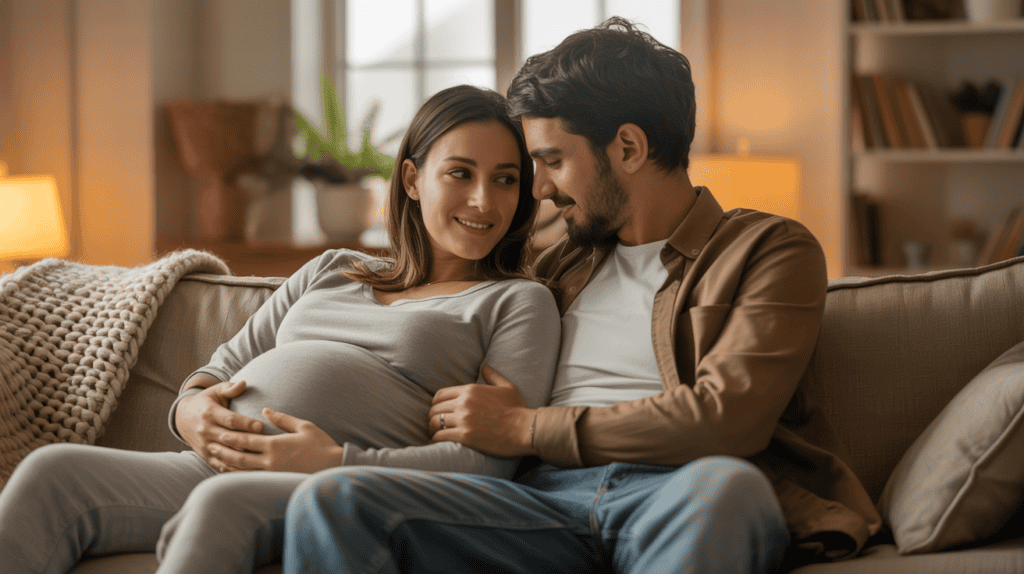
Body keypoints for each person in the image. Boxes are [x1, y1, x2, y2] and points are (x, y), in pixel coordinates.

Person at [283, 17, 882, 574]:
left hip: (680, 493)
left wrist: (526, 428)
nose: (538, 189)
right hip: (538, 504)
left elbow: (727, 421)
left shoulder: (767, 250)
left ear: (628, 148)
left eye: (551, 161)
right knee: (336, 499)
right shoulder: (556, 265)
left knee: (729, 488)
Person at [0, 85, 561, 574]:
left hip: (332, 489)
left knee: (223, 505)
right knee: (53, 471)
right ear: (413, 180)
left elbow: (490, 463)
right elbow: (222, 366)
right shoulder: (333, 268)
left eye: (505, 180)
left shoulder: (517, 301)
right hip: (208, 462)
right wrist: (189, 410)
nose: (484, 200)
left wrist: (335, 463)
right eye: (461, 173)